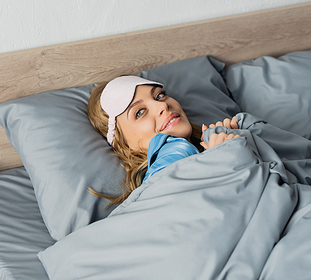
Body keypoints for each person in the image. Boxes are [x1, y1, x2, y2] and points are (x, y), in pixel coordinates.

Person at [87, 75, 240, 205]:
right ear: (125, 146)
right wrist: (221, 160)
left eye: (159, 96)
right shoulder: (158, 183)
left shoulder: (217, 139)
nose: (162, 105)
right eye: (139, 112)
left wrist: (230, 140)